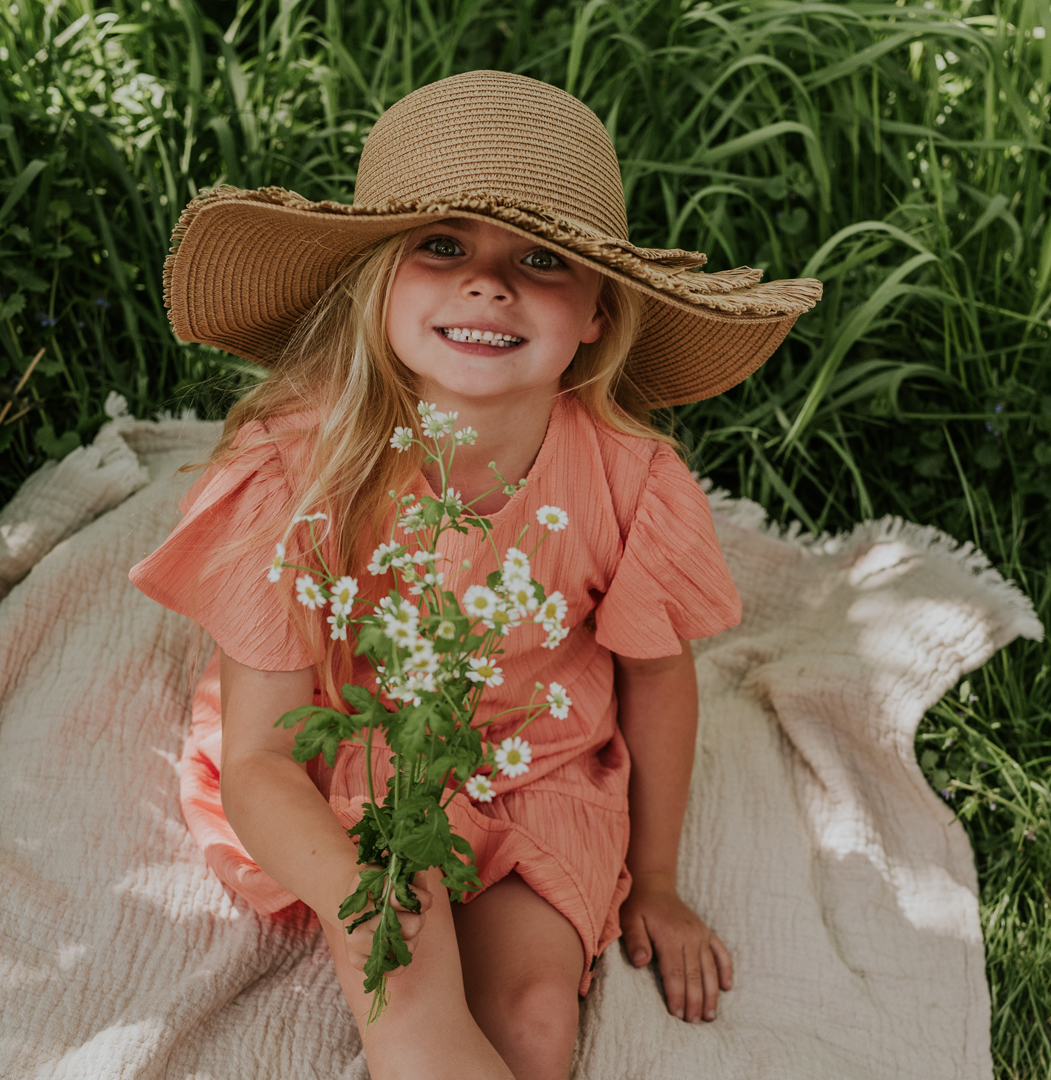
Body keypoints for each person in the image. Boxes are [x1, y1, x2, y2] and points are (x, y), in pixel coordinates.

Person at [129, 70, 821, 1080]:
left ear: (598, 312)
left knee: (536, 1016)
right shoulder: (295, 471)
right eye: (442, 246)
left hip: (535, 762)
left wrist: (657, 880)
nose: (489, 284)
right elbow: (263, 757)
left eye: (542, 259)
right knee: (406, 973)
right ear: (376, 284)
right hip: (358, 764)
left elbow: (657, 673)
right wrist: (363, 896)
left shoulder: (629, 479)